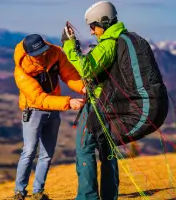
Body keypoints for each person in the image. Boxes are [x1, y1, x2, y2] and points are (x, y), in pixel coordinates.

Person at [61, 1, 169, 200]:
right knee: (106, 146)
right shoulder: (124, 39)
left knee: (85, 148)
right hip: (113, 105)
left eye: (93, 26)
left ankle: (87, 197)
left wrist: (69, 45)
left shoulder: (110, 43)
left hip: (99, 104)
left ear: (103, 21)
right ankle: (109, 195)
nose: (92, 32)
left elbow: (86, 69)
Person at [12, 33, 86, 200]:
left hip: (53, 110)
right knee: (29, 150)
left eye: (43, 50)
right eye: (37, 54)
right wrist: (68, 102)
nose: (42, 55)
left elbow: (70, 75)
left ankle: (38, 192)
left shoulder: (55, 53)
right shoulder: (21, 70)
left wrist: (83, 88)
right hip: (34, 111)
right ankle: (19, 192)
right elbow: (39, 99)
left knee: (47, 153)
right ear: (29, 53)